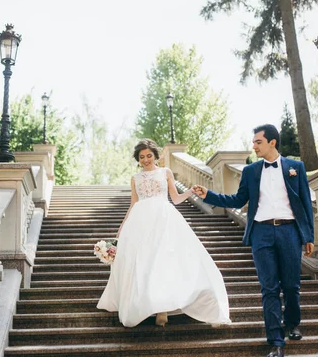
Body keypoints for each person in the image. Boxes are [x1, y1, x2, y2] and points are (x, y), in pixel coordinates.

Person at [193, 124, 314, 357]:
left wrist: (308, 236)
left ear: (272, 142)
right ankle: (276, 342)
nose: (254, 145)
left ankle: (292, 323)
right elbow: (238, 200)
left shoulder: (295, 167)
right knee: (269, 288)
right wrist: (208, 195)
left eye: (258, 141)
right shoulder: (251, 171)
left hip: (290, 231)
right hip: (262, 233)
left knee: (291, 285)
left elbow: (305, 204)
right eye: (253, 142)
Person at [97, 139, 231, 328]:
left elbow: (175, 199)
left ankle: (163, 309)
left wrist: (191, 191)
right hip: (140, 220)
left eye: (149, 155)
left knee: (164, 259)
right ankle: (147, 304)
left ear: (155, 155)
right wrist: (122, 226)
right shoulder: (135, 178)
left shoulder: (165, 172)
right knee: (143, 261)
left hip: (164, 218)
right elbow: (134, 203)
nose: (145, 160)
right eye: (142, 157)